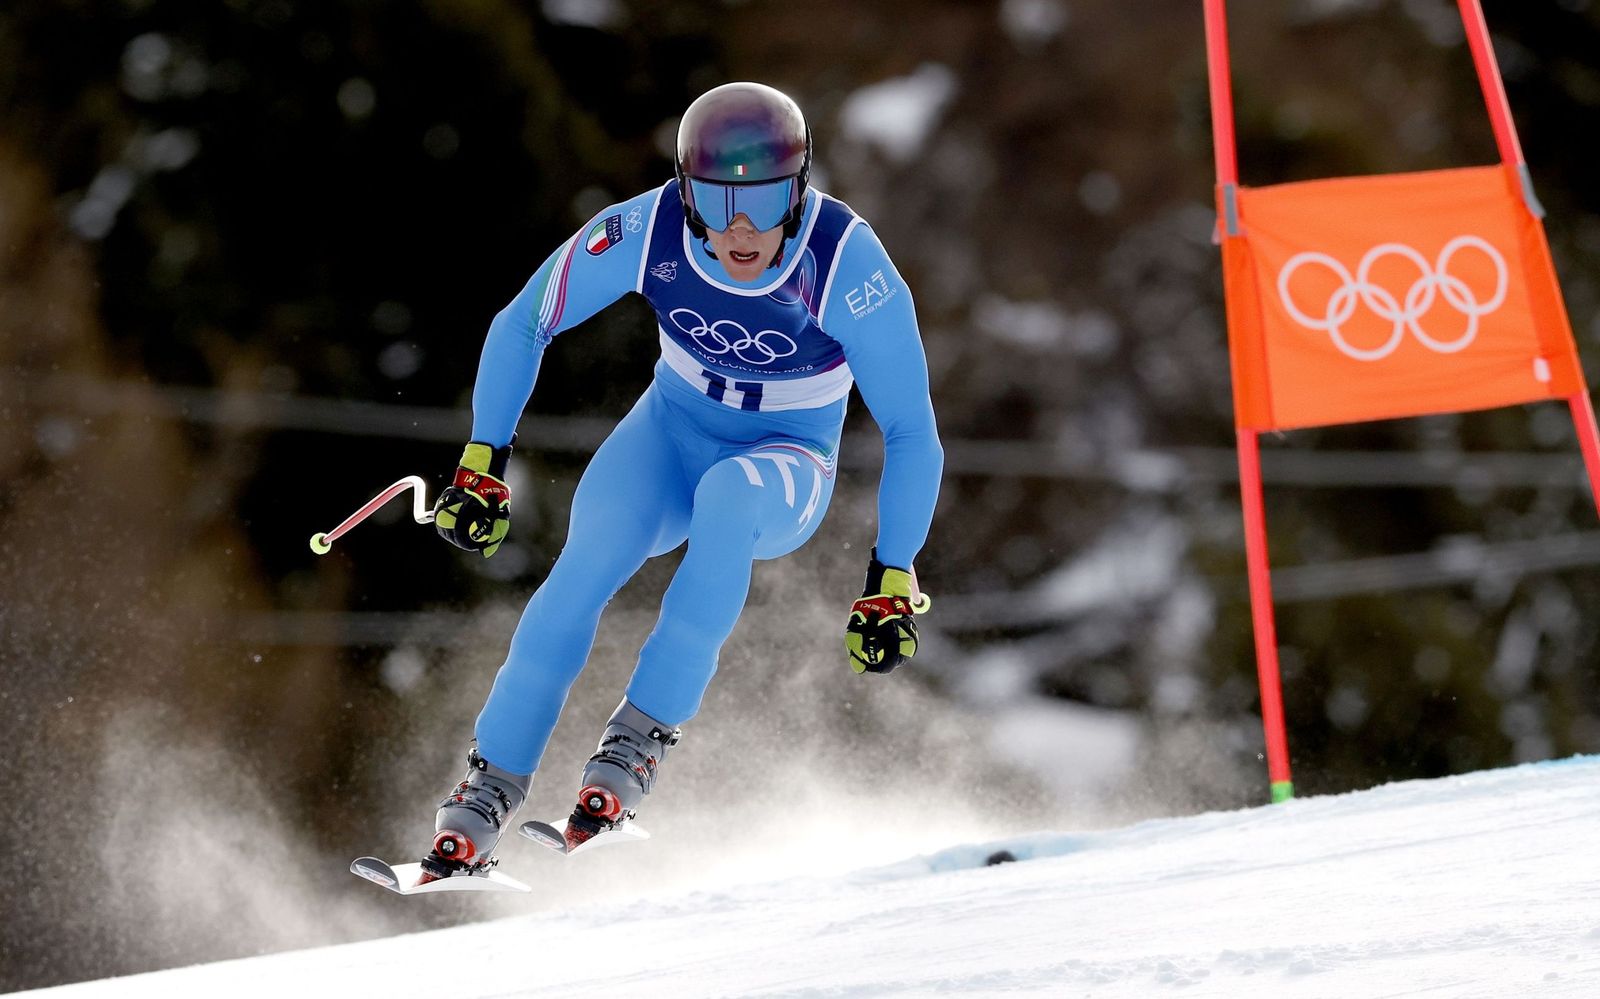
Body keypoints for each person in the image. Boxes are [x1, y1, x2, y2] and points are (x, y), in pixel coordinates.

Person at [416, 81, 943, 883]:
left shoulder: (845, 260)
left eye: (765, 201)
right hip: (669, 432)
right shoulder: (649, 226)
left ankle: (635, 746)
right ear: (684, 189)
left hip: (787, 460)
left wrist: (893, 573)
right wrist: (482, 459)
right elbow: (525, 319)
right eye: (716, 198)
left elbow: (911, 428)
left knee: (731, 497)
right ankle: (485, 792)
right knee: (581, 570)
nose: (741, 227)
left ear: (799, 188)